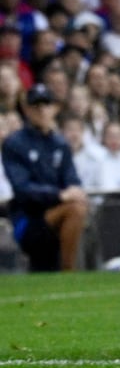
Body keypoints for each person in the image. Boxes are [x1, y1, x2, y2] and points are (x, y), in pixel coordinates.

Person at [2, 84, 89, 271]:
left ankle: (65, 268)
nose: (41, 111)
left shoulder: (60, 144)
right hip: (27, 219)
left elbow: (72, 179)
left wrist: (74, 191)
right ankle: (68, 273)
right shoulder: (15, 144)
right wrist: (59, 195)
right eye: (36, 106)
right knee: (75, 209)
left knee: (78, 205)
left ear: (54, 109)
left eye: (46, 105)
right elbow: (22, 189)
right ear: (26, 109)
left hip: (58, 212)